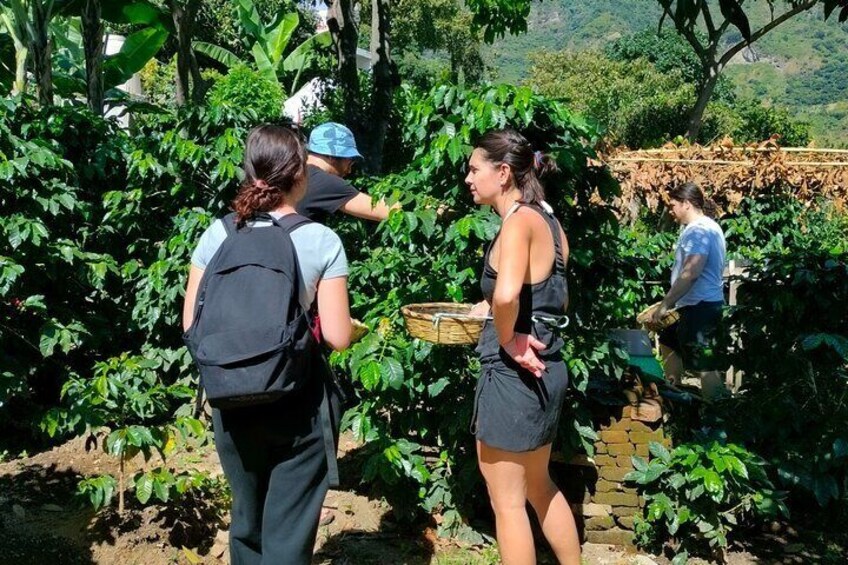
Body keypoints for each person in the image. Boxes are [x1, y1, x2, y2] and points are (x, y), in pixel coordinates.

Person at [182, 125, 352, 564]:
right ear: (301, 175)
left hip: (231, 399)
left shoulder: (216, 235)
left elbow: (191, 325)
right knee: (288, 533)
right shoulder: (320, 240)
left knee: (247, 525)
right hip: (297, 403)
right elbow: (337, 336)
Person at [465, 129, 581, 565]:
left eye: (475, 169)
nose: (468, 178)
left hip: (515, 375)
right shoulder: (549, 221)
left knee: (507, 502)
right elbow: (551, 296)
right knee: (539, 485)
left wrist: (510, 337)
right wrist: (489, 306)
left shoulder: (516, 223)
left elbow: (510, 296)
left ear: (503, 172)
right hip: (547, 366)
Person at [652, 182, 727, 400]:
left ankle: (716, 421)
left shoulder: (699, 231)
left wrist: (665, 304)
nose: (670, 210)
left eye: (673, 205)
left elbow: (691, 272)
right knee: (668, 343)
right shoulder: (709, 227)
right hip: (692, 306)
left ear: (686, 204)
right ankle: (675, 403)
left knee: (704, 366)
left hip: (700, 307)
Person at [297, 122, 397, 223]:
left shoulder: (293, 171)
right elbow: (387, 211)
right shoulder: (325, 182)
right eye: (350, 162)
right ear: (332, 155)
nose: (349, 171)